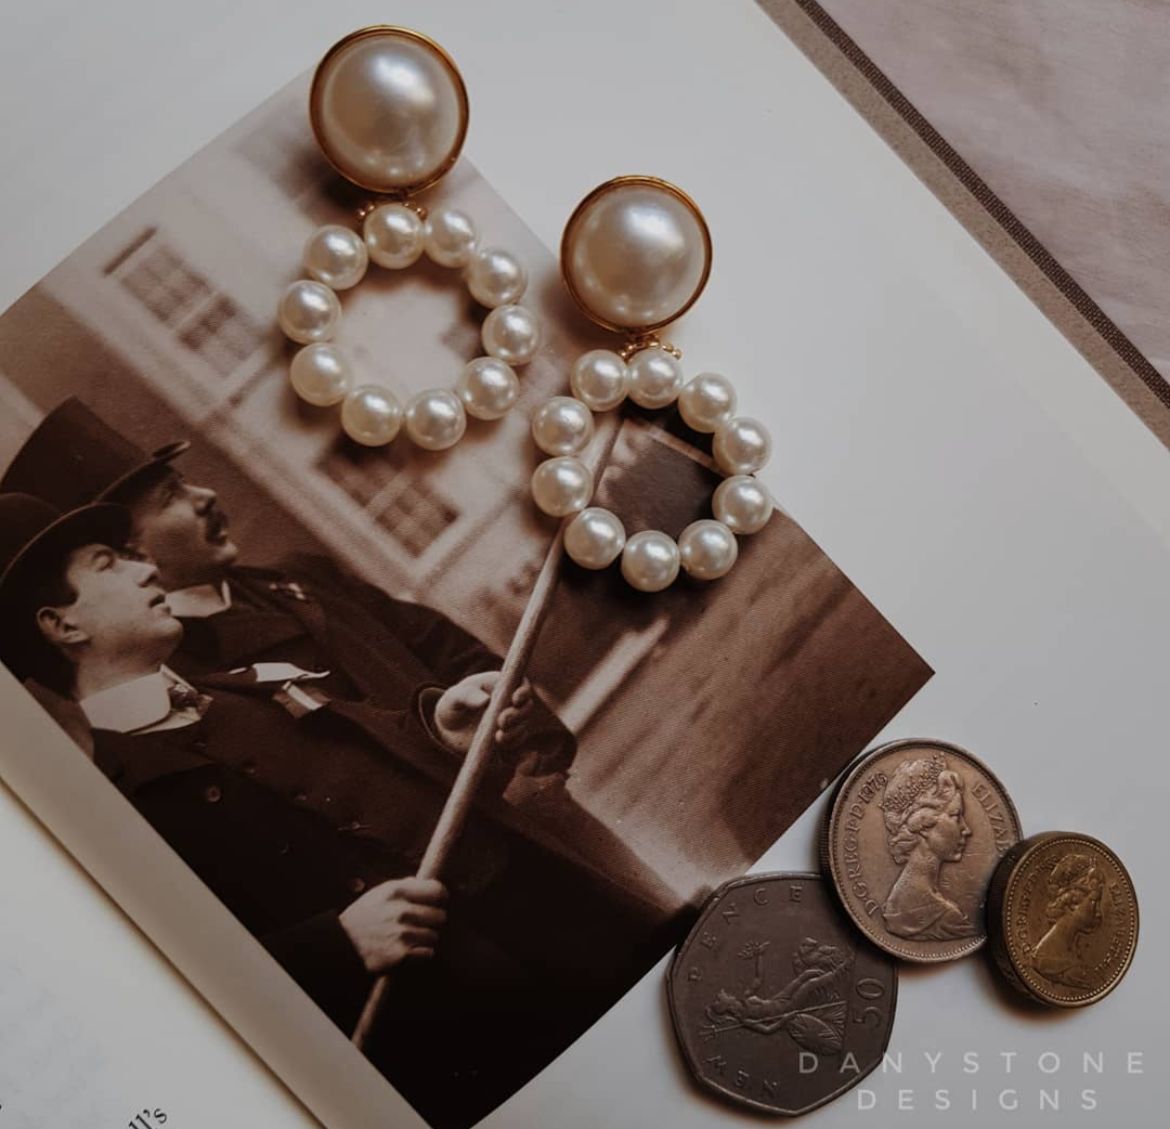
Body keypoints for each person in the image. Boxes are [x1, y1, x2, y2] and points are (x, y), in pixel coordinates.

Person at [0, 492, 673, 1129]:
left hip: (561, 934)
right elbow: (175, 1000)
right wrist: (338, 945)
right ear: (63, 624)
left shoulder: (238, 685)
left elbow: (372, 747)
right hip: (473, 1037)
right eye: (108, 563)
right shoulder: (117, 814)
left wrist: (442, 723)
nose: (145, 564)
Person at [1, 398, 677, 901]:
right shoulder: (191, 689)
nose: (207, 496)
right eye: (174, 495)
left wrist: (528, 739)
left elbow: (439, 643)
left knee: (667, 914)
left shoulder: (296, 578)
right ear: (133, 550)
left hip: (529, 806)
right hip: (461, 888)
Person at [878, 751, 975, 941]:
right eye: (955, 816)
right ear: (923, 824)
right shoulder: (947, 917)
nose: (966, 829)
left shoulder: (895, 902)